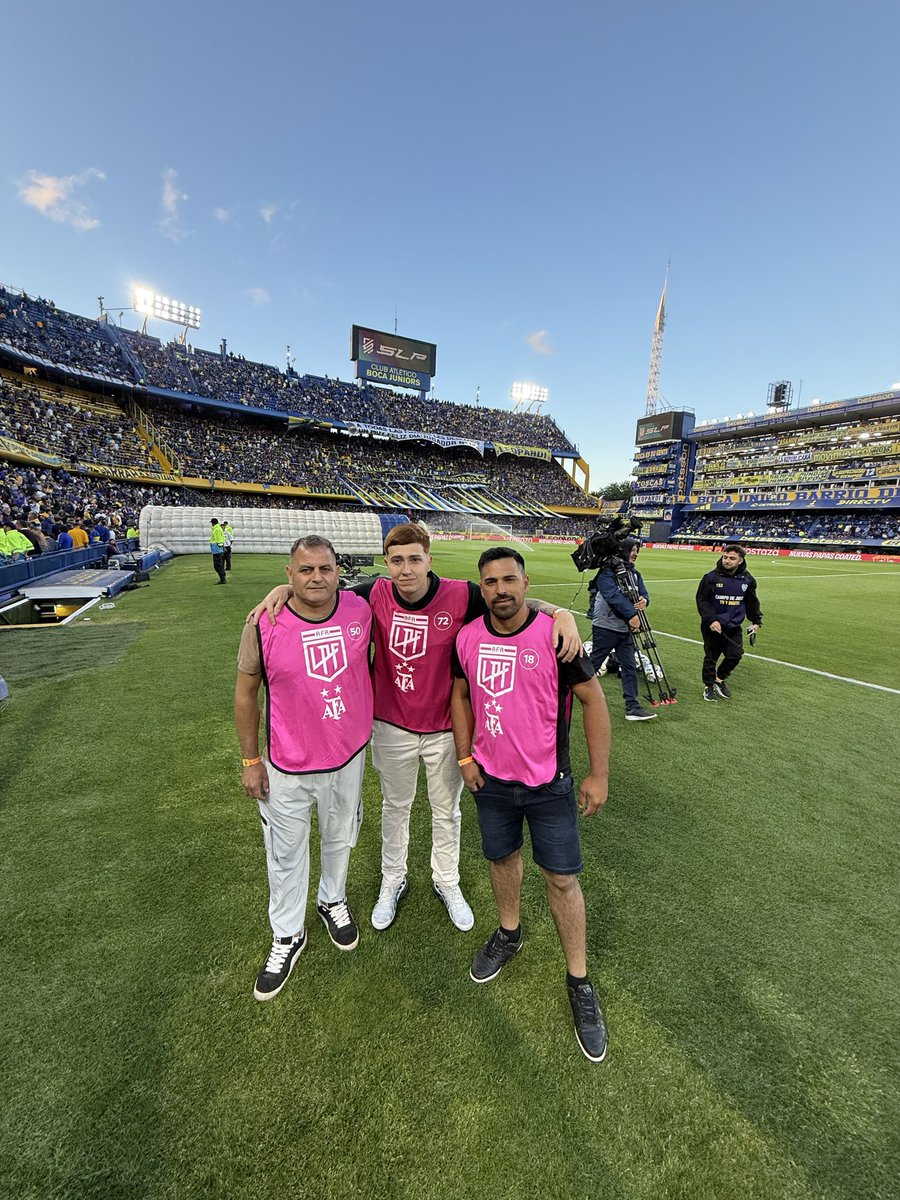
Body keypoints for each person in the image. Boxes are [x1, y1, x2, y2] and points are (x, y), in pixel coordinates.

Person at [249, 523, 582, 936]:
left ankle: (447, 880)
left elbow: (512, 602)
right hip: (391, 726)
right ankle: (393, 879)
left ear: (429, 560)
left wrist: (560, 613)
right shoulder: (373, 594)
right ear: (387, 563)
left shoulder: (462, 595)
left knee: (447, 811)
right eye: (396, 560)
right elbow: (320, 592)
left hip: (445, 729)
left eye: (414, 559)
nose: (405, 569)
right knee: (395, 807)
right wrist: (282, 590)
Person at [451, 547, 612, 1063]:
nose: (500, 589)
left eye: (509, 579)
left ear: (526, 583)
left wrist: (599, 774)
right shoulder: (467, 638)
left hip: (548, 784)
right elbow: (459, 696)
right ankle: (509, 933)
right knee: (502, 860)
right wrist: (464, 757)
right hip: (491, 780)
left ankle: (579, 981)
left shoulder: (555, 636)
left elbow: (593, 699)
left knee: (561, 879)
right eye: (490, 582)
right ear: (481, 588)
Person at [234, 535, 374, 1001]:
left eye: (325, 568)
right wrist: (251, 760)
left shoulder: (361, 608)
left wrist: (553, 612)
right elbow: (245, 695)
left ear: (338, 572)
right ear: (288, 574)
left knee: (339, 838)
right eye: (305, 570)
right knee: (285, 853)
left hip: (347, 756)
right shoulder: (263, 623)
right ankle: (288, 932)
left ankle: (332, 899)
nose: (317, 577)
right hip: (287, 765)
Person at [587, 539, 656, 722]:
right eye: (632, 550)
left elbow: (643, 593)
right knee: (593, 664)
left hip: (625, 629)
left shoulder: (635, 574)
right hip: (606, 626)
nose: (635, 554)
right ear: (623, 550)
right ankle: (565, 691)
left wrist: (644, 601)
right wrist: (632, 615)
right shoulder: (607, 573)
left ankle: (632, 707)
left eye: (637, 551)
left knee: (629, 666)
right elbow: (613, 596)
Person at [696, 543, 762, 701]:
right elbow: (702, 600)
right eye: (725, 557)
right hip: (712, 626)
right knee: (711, 657)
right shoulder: (711, 577)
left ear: (740, 560)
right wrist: (711, 620)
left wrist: (756, 621)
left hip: (733, 626)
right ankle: (708, 686)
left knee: (735, 655)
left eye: (732, 558)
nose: (727, 561)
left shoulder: (747, 580)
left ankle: (719, 679)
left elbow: (752, 602)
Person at [209, 518, 227, 584]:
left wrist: (219, 546)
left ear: (213, 523)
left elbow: (218, 539)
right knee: (220, 564)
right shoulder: (219, 528)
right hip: (219, 549)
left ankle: (223, 579)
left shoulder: (216, 529)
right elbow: (222, 538)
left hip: (217, 549)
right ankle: (223, 577)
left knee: (217, 565)